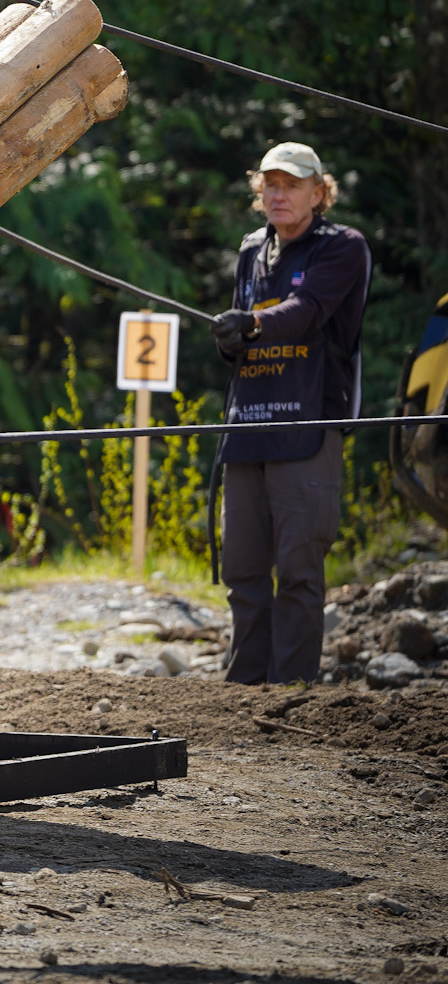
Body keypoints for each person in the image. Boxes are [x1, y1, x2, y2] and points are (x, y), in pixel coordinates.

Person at [211, 142, 371, 686]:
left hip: (309, 430)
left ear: (319, 193)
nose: (279, 194)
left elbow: (308, 313)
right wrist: (231, 339)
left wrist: (251, 325)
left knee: (300, 573)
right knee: (243, 573)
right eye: (271, 185)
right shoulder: (251, 249)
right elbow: (243, 336)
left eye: (293, 185)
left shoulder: (343, 247)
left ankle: (291, 691)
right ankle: (243, 692)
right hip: (248, 426)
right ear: (260, 193)